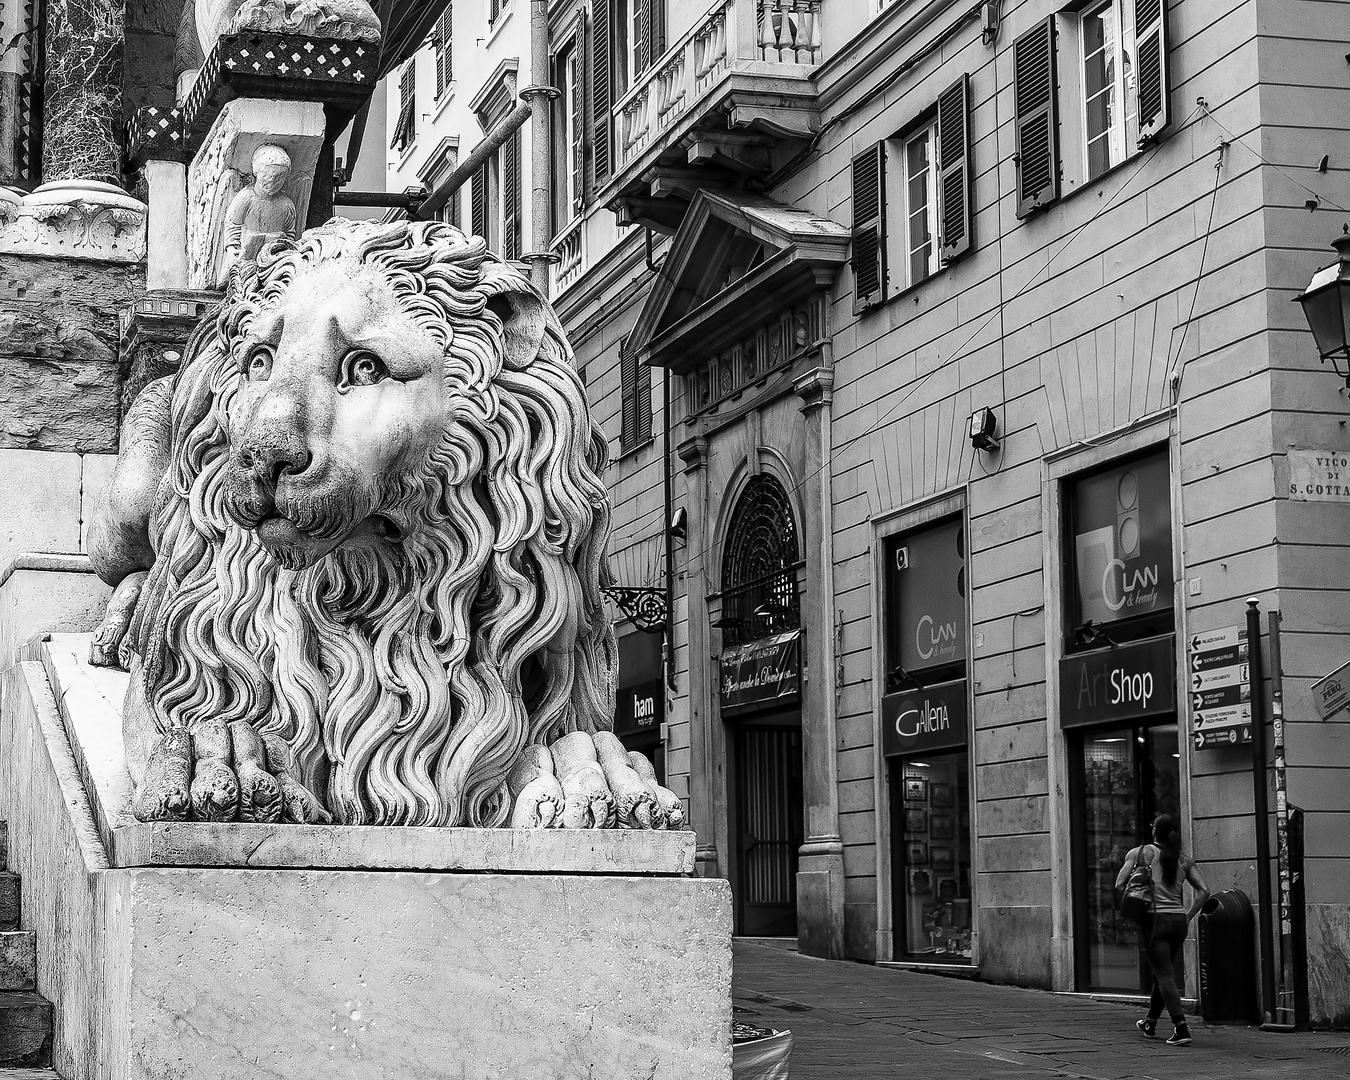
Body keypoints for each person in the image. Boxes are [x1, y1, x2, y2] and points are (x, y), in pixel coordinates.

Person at [1115, 813, 1210, 1046]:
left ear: (1154, 831)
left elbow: (1119, 884)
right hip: (1178, 921)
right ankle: (1150, 1022)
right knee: (1163, 972)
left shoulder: (1140, 853)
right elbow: (1204, 892)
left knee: (1164, 975)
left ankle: (1181, 1027)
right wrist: (1187, 916)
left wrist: (1134, 908)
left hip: (1154, 921)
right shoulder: (1184, 860)